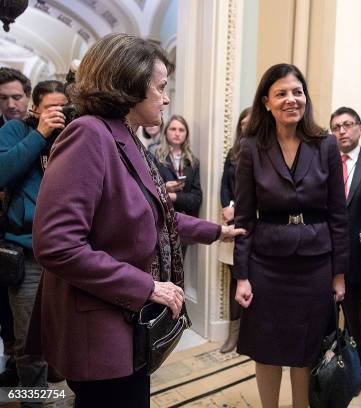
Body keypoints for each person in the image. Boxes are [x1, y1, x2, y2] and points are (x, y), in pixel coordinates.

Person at [29, 33, 244, 407]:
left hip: (122, 325)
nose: (166, 98)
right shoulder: (89, 134)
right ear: (130, 86)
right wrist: (148, 286)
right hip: (98, 331)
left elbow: (156, 213)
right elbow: (57, 245)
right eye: (161, 87)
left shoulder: (123, 136)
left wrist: (217, 231)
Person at [233, 63, 348, 408]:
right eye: (281, 93)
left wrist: (339, 273)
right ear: (266, 102)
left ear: (306, 98)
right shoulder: (251, 148)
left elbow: (339, 215)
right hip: (266, 264)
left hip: (315, 264)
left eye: (297, 92)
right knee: (266, 349)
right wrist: (242, 276)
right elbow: (243, 219)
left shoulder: (326, 145)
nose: (291, 99)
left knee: (308, 347)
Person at [0, 80, 69, 406]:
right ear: (36, 108)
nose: (59, 114)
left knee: (73, 331)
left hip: (70, 254)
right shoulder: (16, 131)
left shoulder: (75, 135)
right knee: (28, 341)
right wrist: (39, 133)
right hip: (27, 256)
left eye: (64, 108)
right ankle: (34, 402)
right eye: (52, 108)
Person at [330, 106, 361, 371]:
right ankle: (326, 369)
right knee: (325, 319)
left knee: (355, 321)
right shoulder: (324, 165)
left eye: (347, 124)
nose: (342, 131)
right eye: (336, 127)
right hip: (326, 258)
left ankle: (355, 370)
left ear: (359, 128)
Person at [0, 67, 31, 386]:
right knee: (9, 317)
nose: (10, 104)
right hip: (8, 239)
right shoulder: (12, 133)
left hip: (23, 241)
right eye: (3, 98)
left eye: (16, 97)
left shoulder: (33, 130)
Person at [218, 106, 251, 353]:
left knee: (257, 280)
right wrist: (226, 208)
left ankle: (253, 334)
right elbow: (224, 186)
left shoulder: (267, 151)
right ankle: (234, 335)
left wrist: (238, 209)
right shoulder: (233, 152)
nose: (247, 127)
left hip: (255, 225)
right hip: (233, 226)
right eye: (243, 123)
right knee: (235, 280)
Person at [154, 115, 202, 218]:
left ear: (186, 134)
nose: (177, 133)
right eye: (173, 129)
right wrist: (164, 188)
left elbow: (197, 198)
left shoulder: (193, 162)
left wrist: (173, 196)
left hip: (188, 218)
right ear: (166, 132)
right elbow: (150, 190)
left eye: (181, 130)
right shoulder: (156, 158)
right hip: (164, 218)